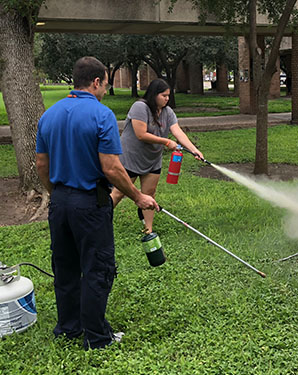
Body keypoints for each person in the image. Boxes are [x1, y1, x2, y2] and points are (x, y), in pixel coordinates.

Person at [36, 56, 159, 350]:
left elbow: (41, 163)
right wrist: (138, 196)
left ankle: (68, 328)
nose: (104, 90)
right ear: (96, 82)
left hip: (60, 202)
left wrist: (56, 193)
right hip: (90, 203)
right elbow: (112, 168)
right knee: (98, 268)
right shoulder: (101, 115)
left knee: (65, 266)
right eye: (104, 84)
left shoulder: (49, 115)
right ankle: (97, 337)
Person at [111, 78, 204, 234]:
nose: (167, 99)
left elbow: (177, 132)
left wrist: (194, 150)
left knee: (149, 194)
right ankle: (100, 223)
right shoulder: (140, 107)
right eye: (164, 95)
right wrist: (166, 142)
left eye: (168, 95)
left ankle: (149, 229)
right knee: (119, 193)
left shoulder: (168, 112)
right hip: (131, 158)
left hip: (152, 159)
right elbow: (141, 134)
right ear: (154, 95)